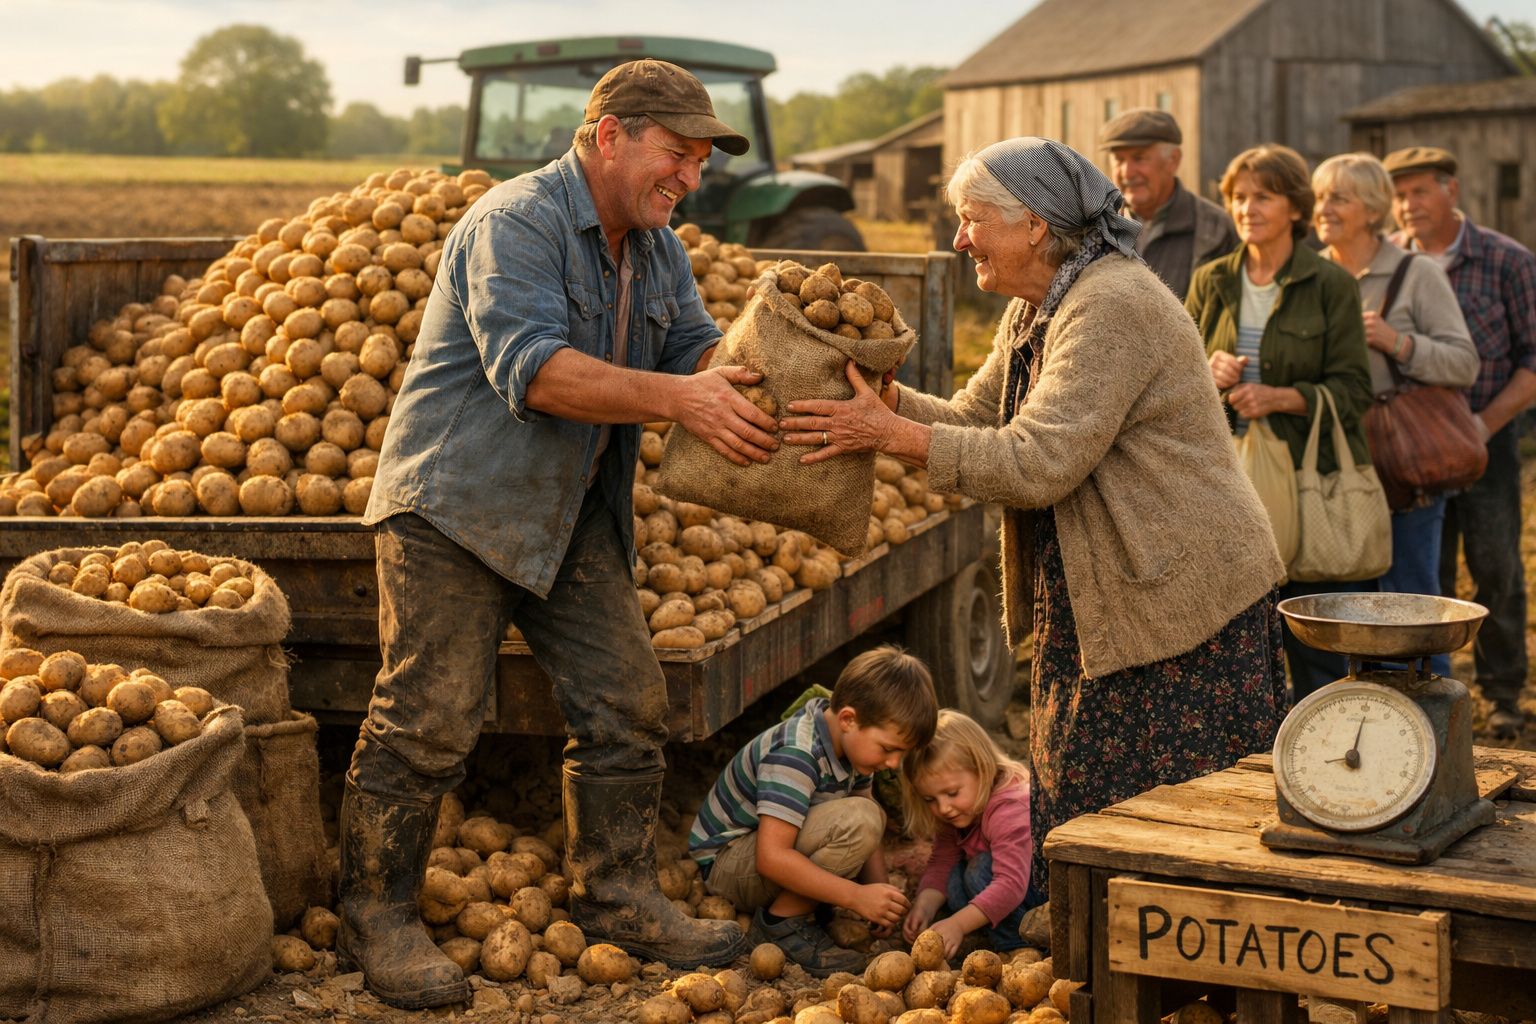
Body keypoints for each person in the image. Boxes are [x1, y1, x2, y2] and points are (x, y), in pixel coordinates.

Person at [340, 59, 781, 1009]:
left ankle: (616, 896)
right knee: (428, 721)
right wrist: (683, 401)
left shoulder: (659, 247)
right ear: (610, 135)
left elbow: (695, 350)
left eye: (702, 162)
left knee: (627, 702)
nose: (690, 179)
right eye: (677, 155)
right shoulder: (517, 222)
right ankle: (377, 914)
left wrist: (778, 358)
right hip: (455, 507)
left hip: (571, 509)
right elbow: (533, 371)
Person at [779, 137, 1288, 912]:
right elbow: (972, 419)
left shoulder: (1112, 304)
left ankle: (1175, 967)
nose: (958, 240)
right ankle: (1102, 954)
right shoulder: (1038, 308)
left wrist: (892, 437)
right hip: (1103, 595)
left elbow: (1037, 461)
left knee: (1178, 820)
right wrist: (884, 406)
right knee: (1089, 798)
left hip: (1178, 601)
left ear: (1036, 227)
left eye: (971, 220)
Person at [1186, 144, 1374, 699]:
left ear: (1295, 207)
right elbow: (1172, 390)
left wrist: (1279, 397)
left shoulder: (1330, 284)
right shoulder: (1211, 279)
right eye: (1238, 198)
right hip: (1227, 484)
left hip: (1304, 478)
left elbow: (1355, 391)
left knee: (1316, 647)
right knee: (1236, 647)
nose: (1247, 209)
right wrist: (1206, 371)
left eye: (1262, 196)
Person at [1386, 146, 1536, 739]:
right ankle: (1427, 692)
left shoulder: (1506, 260)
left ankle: (1503, 694)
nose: (1408, 205)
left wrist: (1486, 424)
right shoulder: (1388, 261)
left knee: (1497, 563)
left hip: (1484, 438)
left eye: (1420, 191)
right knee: (1426, 570)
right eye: (1399, 195)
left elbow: (1533, 359)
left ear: (1452, 190)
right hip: (1412, 445)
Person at [1313, 152, 1478, 677]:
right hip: (1332, 473)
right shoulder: (1310, 273)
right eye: (1320, 197)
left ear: (1372, 207)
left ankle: (1433, 736)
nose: (1324, 208)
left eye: (1338, 197)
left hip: (1404, 471)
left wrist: (1399, 343)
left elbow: (1464, 363)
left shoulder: (1416, 272)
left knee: (1411, 609)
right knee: (1347, 613)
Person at [687, 645, 938, 976]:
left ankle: (801, 904)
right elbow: (771, 858)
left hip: (763, 855)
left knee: (867, 813)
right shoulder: (797, 754)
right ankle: (780, 924)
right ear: (848, 718)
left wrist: (881, 905)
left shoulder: (854, 746)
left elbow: (869, 820)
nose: (893, 763)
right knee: (860, 819)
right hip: (728, 864)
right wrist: (856, 896)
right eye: (889, 749)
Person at [900, 709, 1033, 958]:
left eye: (952, 793)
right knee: (952, 879)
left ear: (982, 769)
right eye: (930, 799)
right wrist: (923, 907)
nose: (943, 808)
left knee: (978, 870)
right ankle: (984, 933)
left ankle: (1019, 947)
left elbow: (1011, 883)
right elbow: (941, 862)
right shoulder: (956, 812)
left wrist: (957, 924)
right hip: (1004, 886)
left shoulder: (1009, 808)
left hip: (1035, 887)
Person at [1098, 108, 1239, 301]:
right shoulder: (1094, 227)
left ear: (1173, 160)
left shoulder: (1215, 229)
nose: (1127, 172)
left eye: (1139, 158)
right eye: (1119, 160)